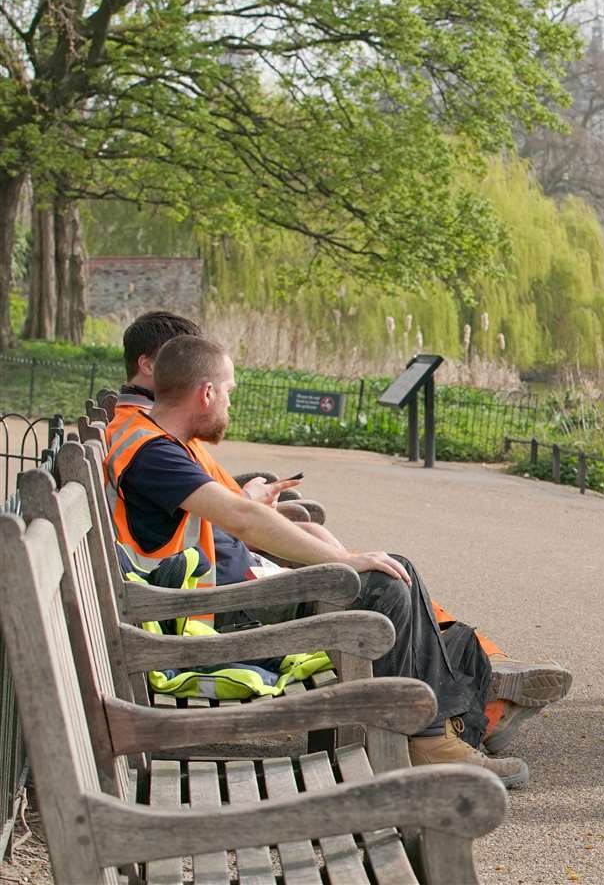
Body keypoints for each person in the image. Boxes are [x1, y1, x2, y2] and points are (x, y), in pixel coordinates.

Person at [108, 311, 573, 754]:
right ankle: (436, 735)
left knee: (387, 571)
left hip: (211, 597)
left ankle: (451, 721)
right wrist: (339, 562)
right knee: (381, 585)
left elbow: (222, 514)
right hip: (209, 613)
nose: (231, 399)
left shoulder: (148, 437)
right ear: (203, 391)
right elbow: (239, 520)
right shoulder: (151, 449)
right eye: (228, 391)